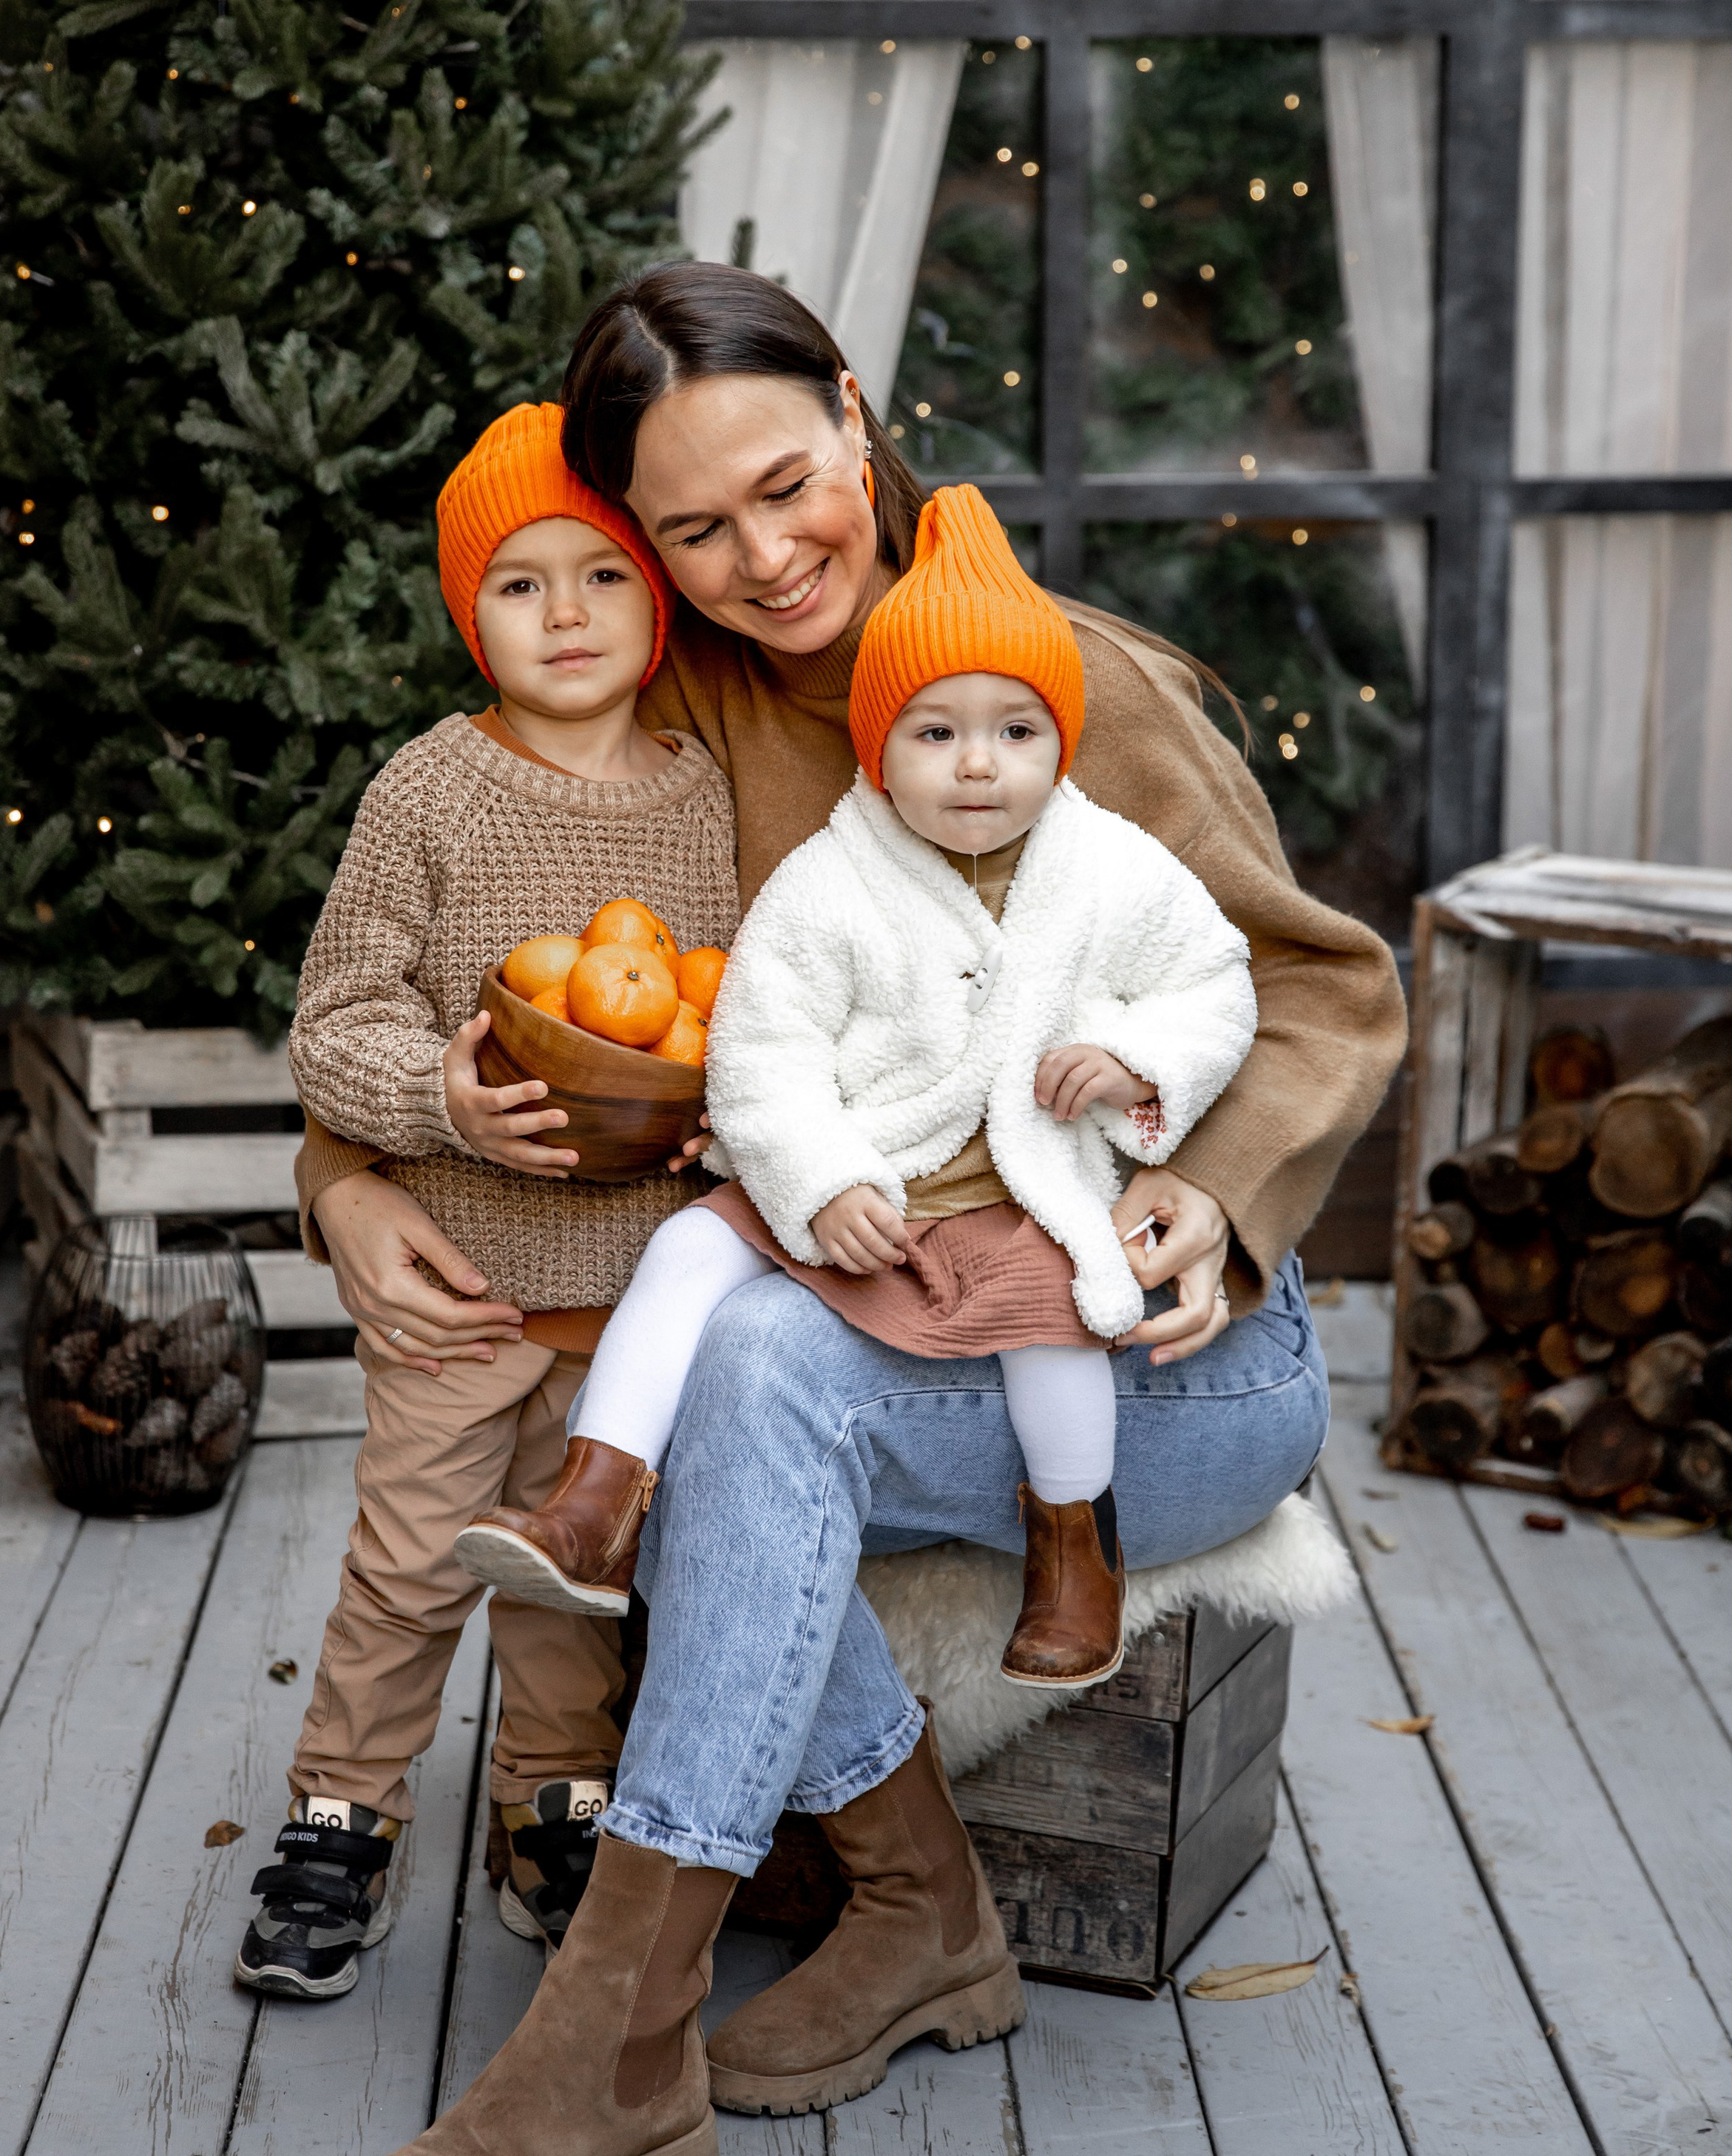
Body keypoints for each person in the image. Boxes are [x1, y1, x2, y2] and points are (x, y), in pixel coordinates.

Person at [311, 265, 1405, 2156]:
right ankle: (913, 1914)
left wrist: (1211, 1195)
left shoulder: (1061, 689)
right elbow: (533, 985)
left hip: (1153, 1362)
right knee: (724, 1368)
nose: (760, 559)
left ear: (853, 410)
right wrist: (344, 1171)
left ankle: (624, 2043)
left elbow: (1323, 984)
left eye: (785, 485)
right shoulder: (690, 715)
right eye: (691, 532)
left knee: (740, 1390)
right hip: (885, 1316)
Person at [455, 481, 1256, 1693]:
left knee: (1054, 1338)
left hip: (1017, 1188)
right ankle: (593, 1506)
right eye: (934, 733)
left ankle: (1074, 1550)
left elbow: (1216, 983)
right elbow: (761, 1050)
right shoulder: (831, 879)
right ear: (877, 749)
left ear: (1061, 742)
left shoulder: (1113, 869)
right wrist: (821, 1179)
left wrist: (1140, 1059)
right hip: (863, 1166)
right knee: (686, 1253)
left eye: (1016, 731)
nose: (977, 764)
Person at [234, 402, 737, 2000]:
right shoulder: (430, 793)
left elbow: (751, 1009)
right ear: (472, 616)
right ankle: (343, 1813)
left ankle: (550, 1803)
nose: (566, 614)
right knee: (408, 1567)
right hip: (459, 1287)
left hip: (635, 1301)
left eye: (602, 574)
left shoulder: (711, 797)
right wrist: (436, 1101)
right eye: (521, 585)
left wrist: (723, 1120)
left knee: (575, 1582)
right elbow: (338, 1017)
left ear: (659, 596)